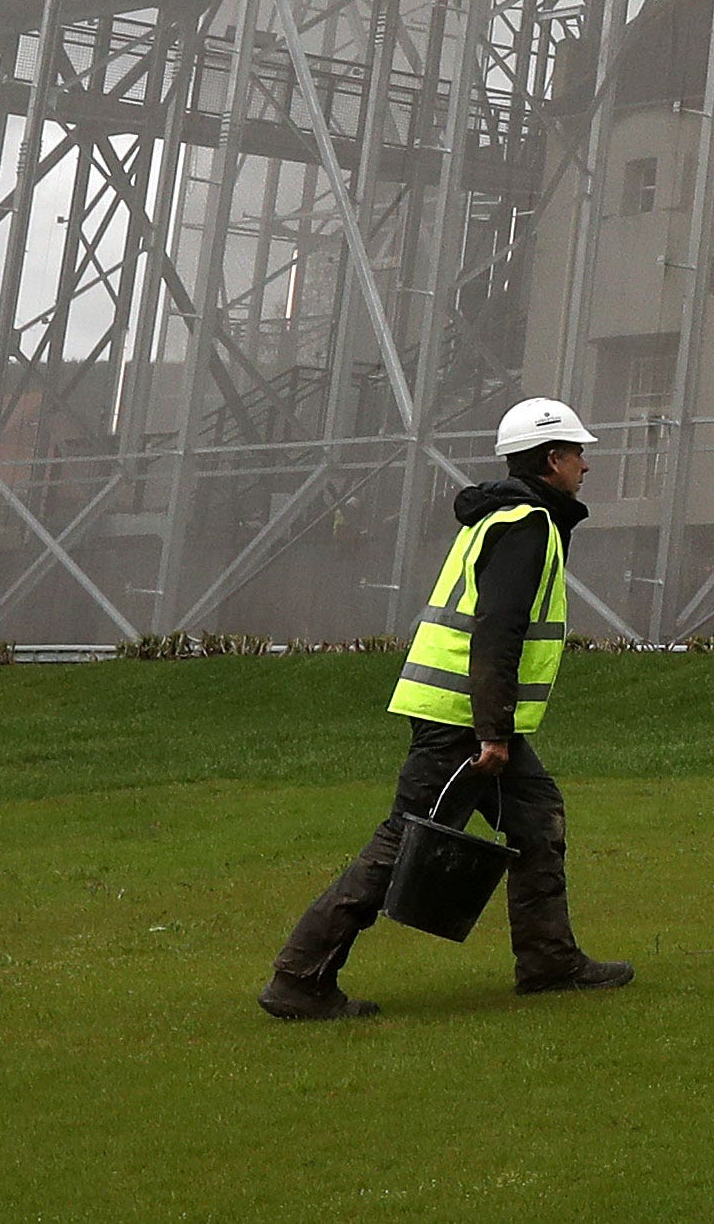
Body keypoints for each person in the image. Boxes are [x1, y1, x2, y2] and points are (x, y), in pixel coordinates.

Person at [260, 397, 637, 1018]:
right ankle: (299, 977)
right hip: (464, 719)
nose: (585, 465)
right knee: (404, 841)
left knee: (538, 818)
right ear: (552, 458)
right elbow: (497, 632)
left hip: (466, 714)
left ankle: (549, 961)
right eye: (577, 453)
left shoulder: (504, 518)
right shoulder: (526, 525)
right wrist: (492, 732)